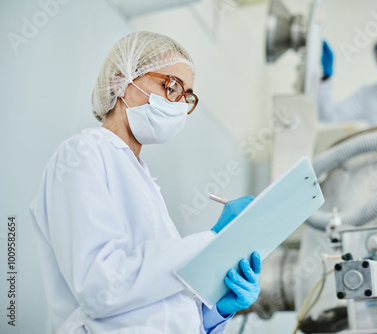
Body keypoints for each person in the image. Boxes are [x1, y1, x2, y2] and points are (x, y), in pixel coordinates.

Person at [29, 31, 261, 334]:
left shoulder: (142, 179)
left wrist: (214, 313)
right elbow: (100, 286)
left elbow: (157, 309)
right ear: (121, 81)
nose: (179, 104)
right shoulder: (82, 154)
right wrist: (212, 240)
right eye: (171, 87)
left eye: (187, 96)